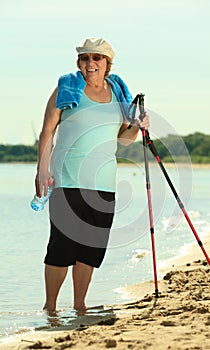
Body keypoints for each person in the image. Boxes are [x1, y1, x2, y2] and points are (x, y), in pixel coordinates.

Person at [35, 37, 149, 313]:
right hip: (67, 179)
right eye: (85, 58)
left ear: (107, 64)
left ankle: (79, 305)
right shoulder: (68, 87)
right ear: (79, 63)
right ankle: (50, 308)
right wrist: (42, 170)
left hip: (103, 183)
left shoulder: (118, 92)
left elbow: (123, 140)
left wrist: (136, 125)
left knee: (91, 248)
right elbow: (47, 131)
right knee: (62, 246)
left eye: (97, 58)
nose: (90, 63)